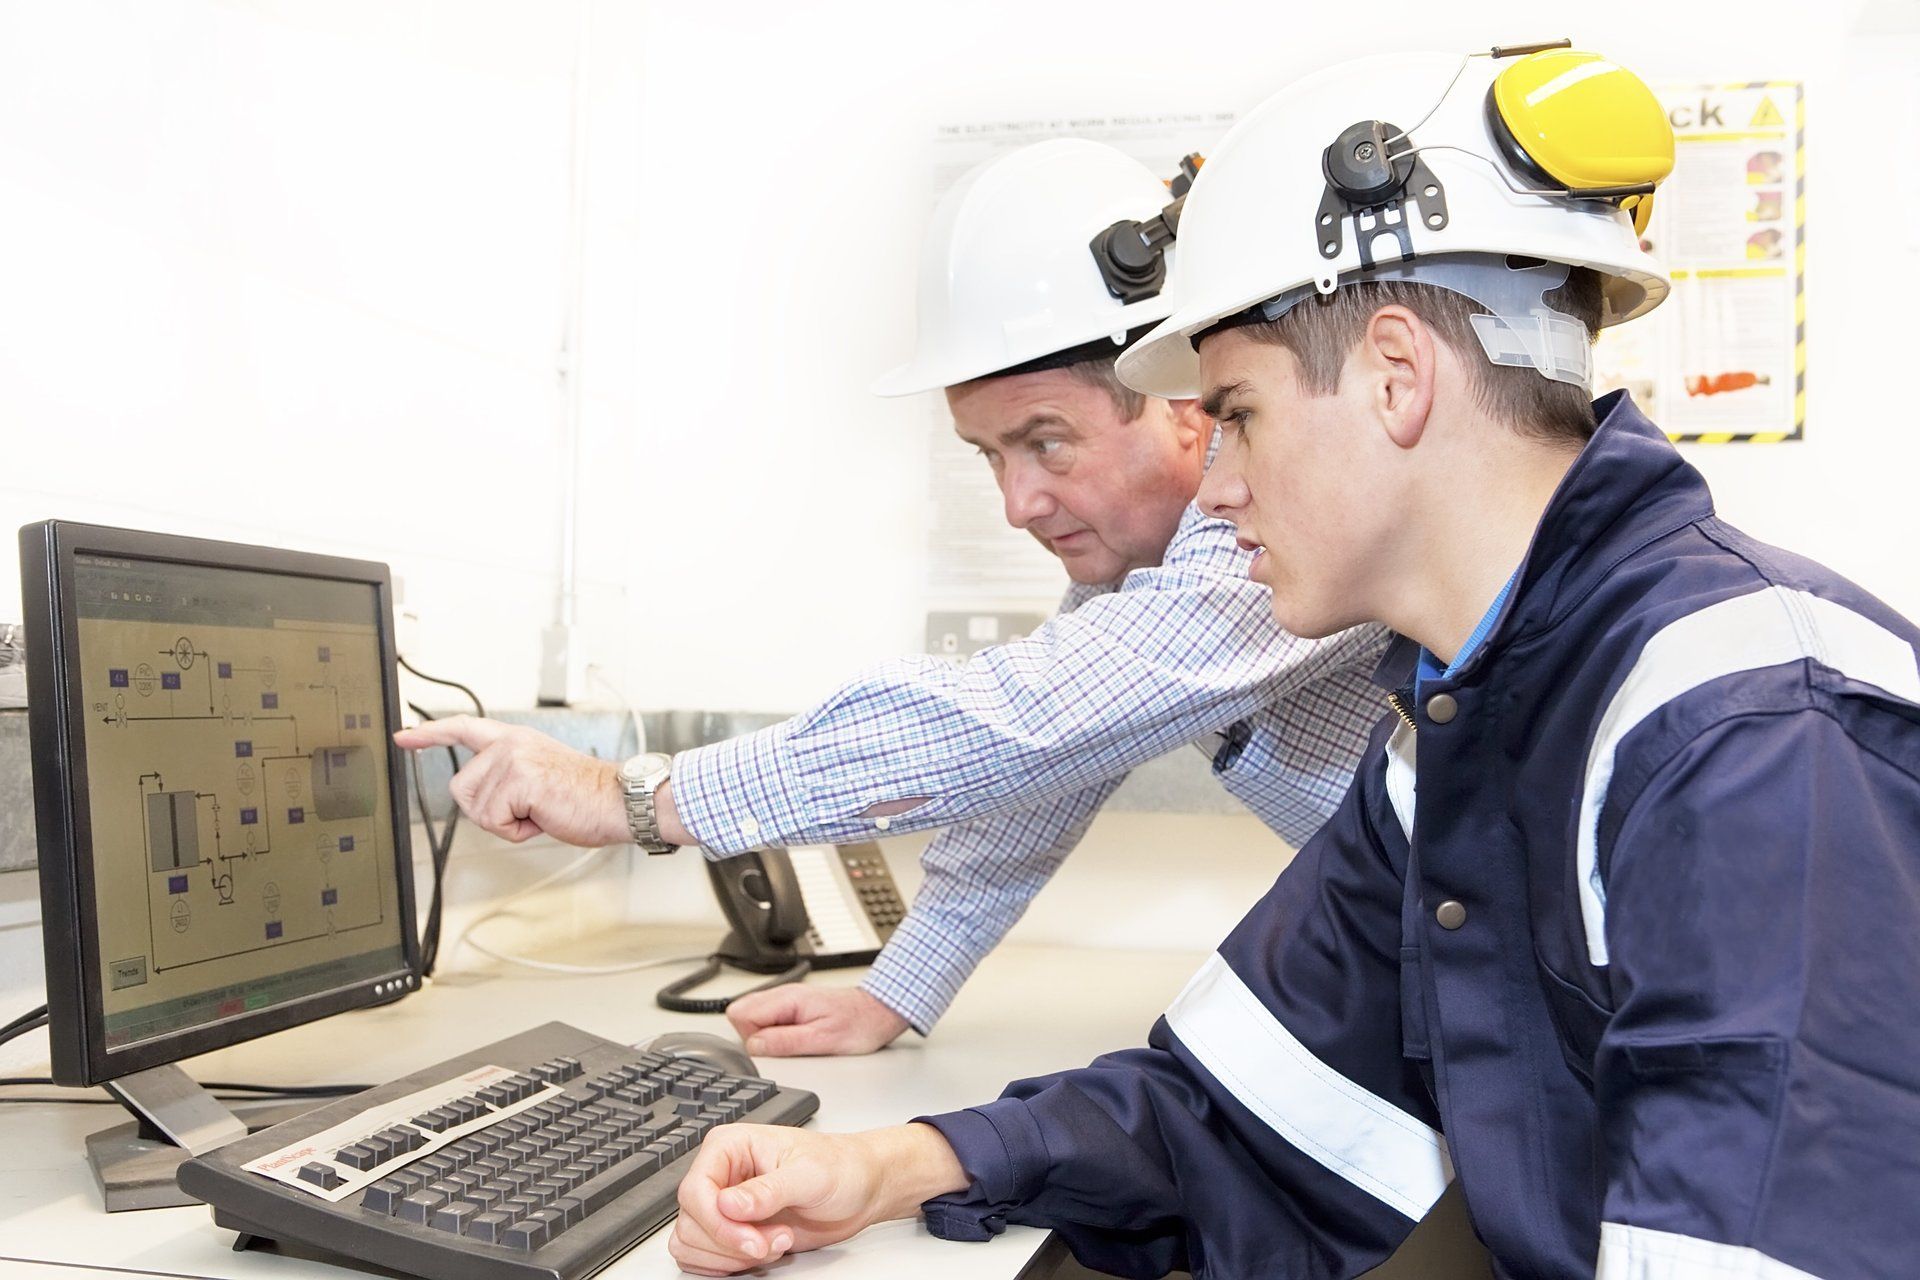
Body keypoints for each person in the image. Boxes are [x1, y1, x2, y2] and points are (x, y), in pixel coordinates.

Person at [667, 47, 1920, 1279]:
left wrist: (637, 801)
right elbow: (1230, 1112)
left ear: (1394, 376)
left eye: (1240, 418)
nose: (1212, 490)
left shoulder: (1752, 735)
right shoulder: (1453, 735)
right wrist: (903, 1163)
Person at [395, 139, 1386, 1054]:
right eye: (989, 456)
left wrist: (631, 796)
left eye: (1045, 440)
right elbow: (1044, 775)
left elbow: (1023, 720)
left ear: (1178, 401)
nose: (1017, 503)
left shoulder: (1280, 515)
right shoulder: (1154, 574)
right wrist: (897, 989)